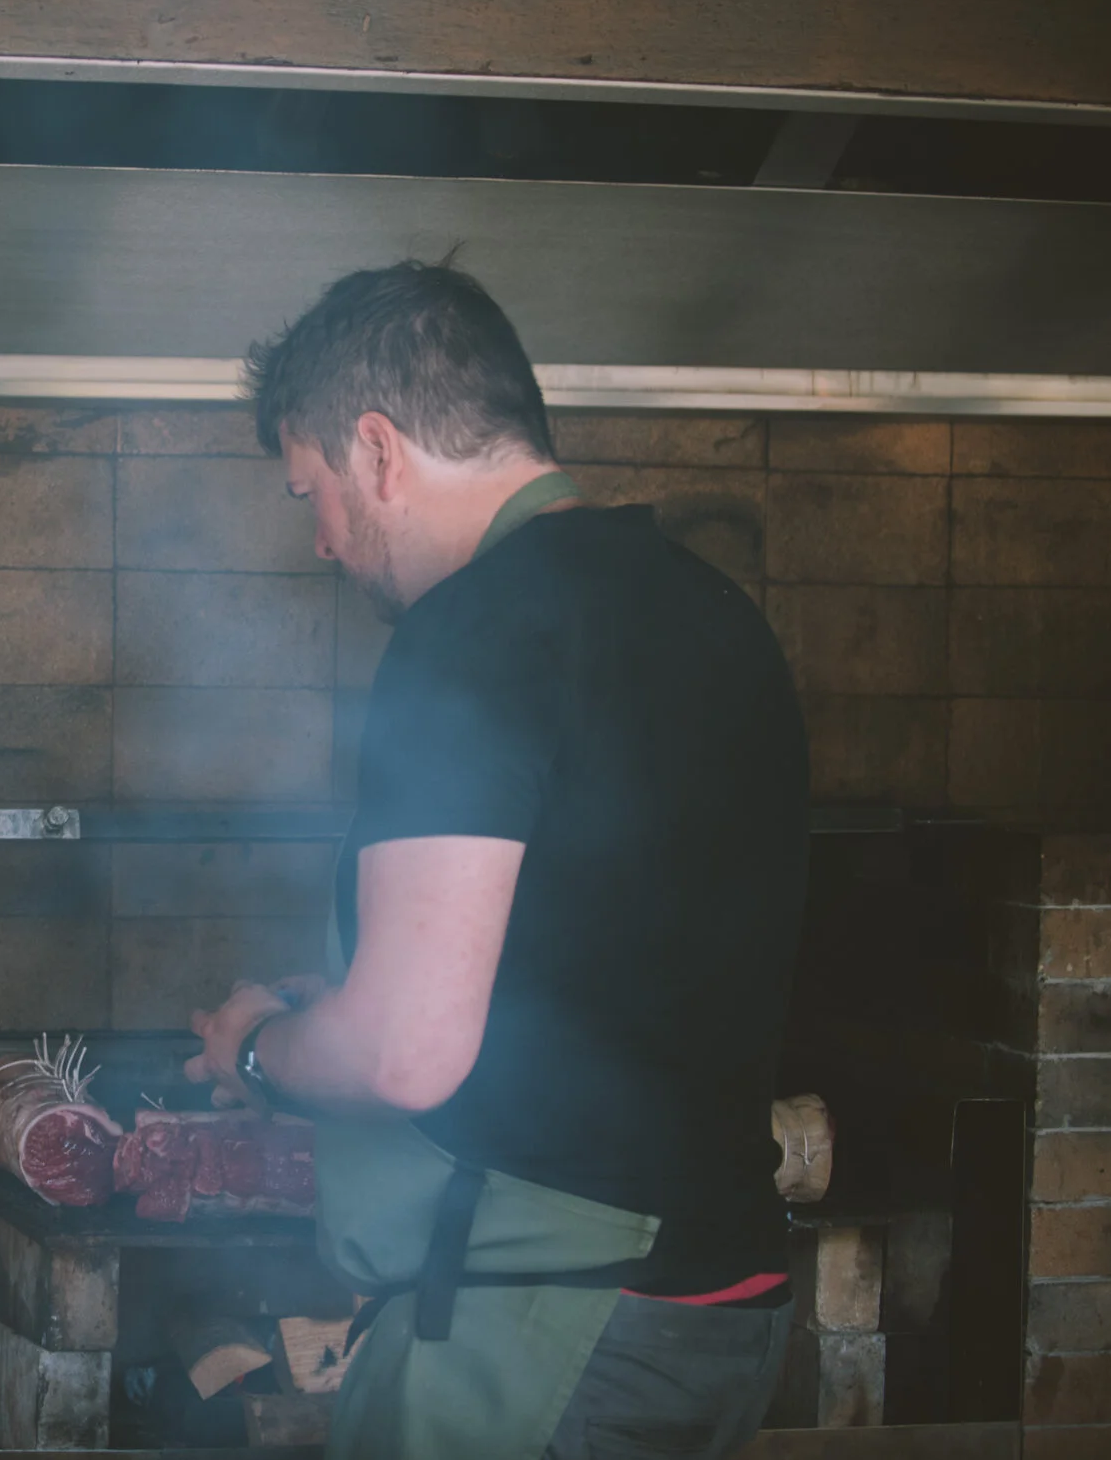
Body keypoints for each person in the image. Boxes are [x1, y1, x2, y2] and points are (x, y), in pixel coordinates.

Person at [186, 261, 808, 1460]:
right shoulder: (715, 615)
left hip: (550, 1328)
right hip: (720, 1307)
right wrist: (357, 1000)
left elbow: (408, 1054)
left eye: (307, 489)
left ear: (376, 450)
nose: (317, 538)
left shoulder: (467, 633)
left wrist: (257, 1046)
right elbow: (623, 947)